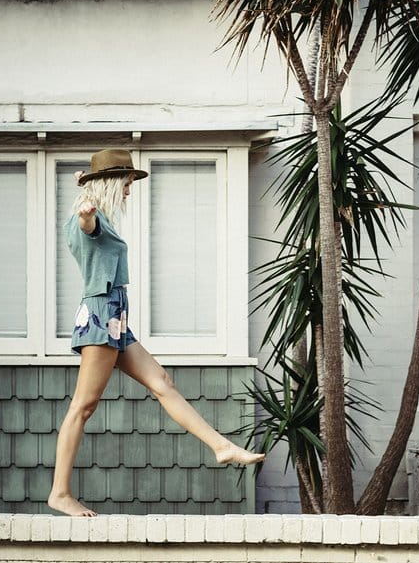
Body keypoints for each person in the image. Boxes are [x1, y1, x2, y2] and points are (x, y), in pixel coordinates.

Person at [47, 148, 265, 517]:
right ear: (112, 183)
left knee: (162, 381)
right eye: (127, 182)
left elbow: (89, 217)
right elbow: (87, 225)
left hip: (115, 317)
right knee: (82, 407)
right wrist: (86, 213)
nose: (129, 189)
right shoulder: (90, 219)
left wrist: (84, 194)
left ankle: (221, 447)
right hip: (101, 316)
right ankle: (60, 493)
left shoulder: (99, 216)